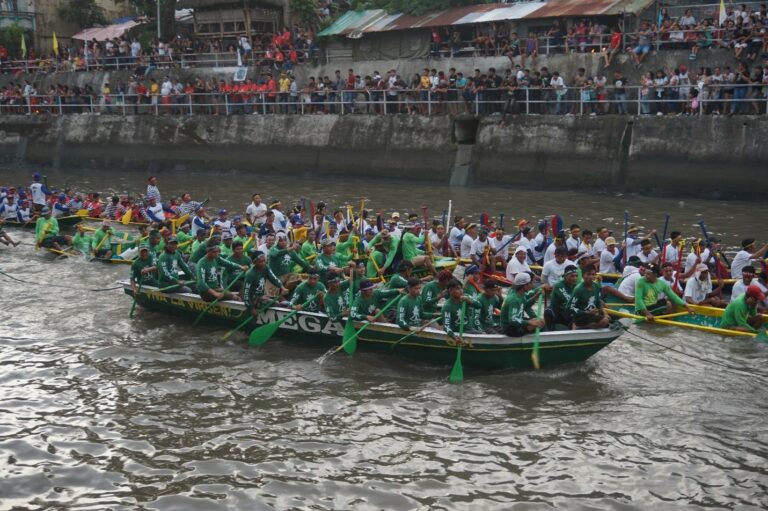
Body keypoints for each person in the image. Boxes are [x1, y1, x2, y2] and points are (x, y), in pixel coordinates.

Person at [501, 272, 544, 337]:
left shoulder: (521, 295)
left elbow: (525, 306)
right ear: (524, 285)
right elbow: (513, 320)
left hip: (517, 322)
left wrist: (537, 296)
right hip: (510, 328)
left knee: (541, 321)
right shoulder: (514, 299)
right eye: (531, 283)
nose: (532, 285)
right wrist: (529, 322)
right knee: (537, 324)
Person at [568, 265, 610, 329]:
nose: (591, 277)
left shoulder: (596, 286)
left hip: (591, 315)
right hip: (580, 317)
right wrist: (586, 312)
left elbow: (598, 302)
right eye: (588, 274)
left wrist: (605, 314)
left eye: (593, 274)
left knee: (607, 320)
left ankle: (587, 327)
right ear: (583, 276)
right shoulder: (578, 289)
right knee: (604, 321)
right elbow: (570, 307)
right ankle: (579, 327)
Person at [441, 278, 480, 344]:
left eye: (461, 288)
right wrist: (455, 337)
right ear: (450, 290)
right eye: (458, 289)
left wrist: (469, 301)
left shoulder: (466, 297)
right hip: (458, 331)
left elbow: (479, 305)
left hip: (469, 329)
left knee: (482, 333)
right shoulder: (447, 306)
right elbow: (446, 326)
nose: (461, 291)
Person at [545, 264, 578, 329]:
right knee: (548, 312)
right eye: (572, 276)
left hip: (567, 312)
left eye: (576, 276)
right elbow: (568, 300)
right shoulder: (559, 285)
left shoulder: (576, 286)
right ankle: (547, 329)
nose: (575, 278)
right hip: (557, 311)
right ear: (565, 276)